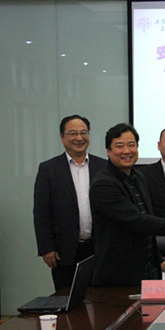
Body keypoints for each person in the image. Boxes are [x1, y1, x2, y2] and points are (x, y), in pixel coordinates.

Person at [89, 123, 165, 287]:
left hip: (147, 266)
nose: (127, 151)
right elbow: (137, 221)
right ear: (108, 151)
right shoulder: (103, 184)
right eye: (119, 146)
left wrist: (157, 259)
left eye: (131, 145)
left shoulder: (138, 177)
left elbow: (148, 218)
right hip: (119, 273)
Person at [33, 114, 108, 291]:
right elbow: (41, 212)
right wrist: (47, 248)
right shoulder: (49, 169)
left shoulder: (103, 167)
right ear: (62, 137)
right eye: (73, 133)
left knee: (101, 298)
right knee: (66, 298)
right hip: (64, 251)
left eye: (83, 132)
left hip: (99, 249)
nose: (79, 138)